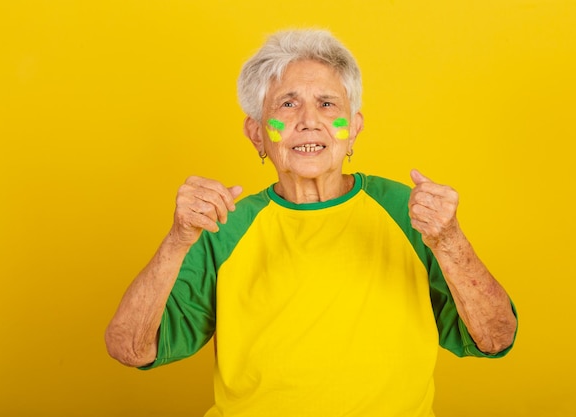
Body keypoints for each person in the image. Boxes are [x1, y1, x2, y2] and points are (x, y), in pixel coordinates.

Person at [105, 29, 518, 417]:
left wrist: (450, 241)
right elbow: (129, 347)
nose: (308, 120)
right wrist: (178, 241)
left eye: (327, 103)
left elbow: (495, 338)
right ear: (256, 134)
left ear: (353, 129)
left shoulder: (409, 213)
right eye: (287, 103)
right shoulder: (224, 227)